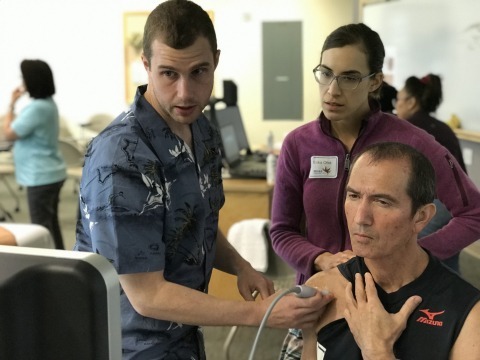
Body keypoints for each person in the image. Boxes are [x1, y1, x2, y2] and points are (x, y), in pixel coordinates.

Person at [74, 1, 332, 358]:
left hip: (186, 338)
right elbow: (147, 295)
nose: (185, 93)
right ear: (146, 65)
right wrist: (258, 314)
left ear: (216, 61)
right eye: (168, 74)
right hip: (129, 346)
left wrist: (241, 266)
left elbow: (194, 223)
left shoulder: (203, 131)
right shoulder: (122, 156)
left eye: (199, 72)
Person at [269, 23, 480, 358]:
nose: (332, 90)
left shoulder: (414, 142)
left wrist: (410, 257)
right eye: (325, 73)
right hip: (322, 299)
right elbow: (281, 230)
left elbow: (474, 213)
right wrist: (321, 259)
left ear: (375, 82)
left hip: (394, 305)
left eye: (349, 77)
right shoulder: (299, 145)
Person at [301, 142, 480, 360]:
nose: (360, 218)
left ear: (421, 217)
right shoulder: (322, 289)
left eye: (382, 202)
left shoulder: (468, 315)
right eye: (354, 196)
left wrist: (378, 352)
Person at [395, 73, 467, 272]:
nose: (396, 106)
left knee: (419, 263)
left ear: (411, 102)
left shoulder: (408, 129)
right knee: (448, 259)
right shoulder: (444, 128)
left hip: (437, 205)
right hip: (459, 207)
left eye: (399, 100)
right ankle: (457, 300)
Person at [3, 59, 67, 250]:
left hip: (41, 176)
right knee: (50, 225)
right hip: (49, 172)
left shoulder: (37, 108)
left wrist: (11, 104)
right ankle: (61, 261)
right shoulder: (47, 104)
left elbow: (9, 133)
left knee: (41, 229)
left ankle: (51, 270)